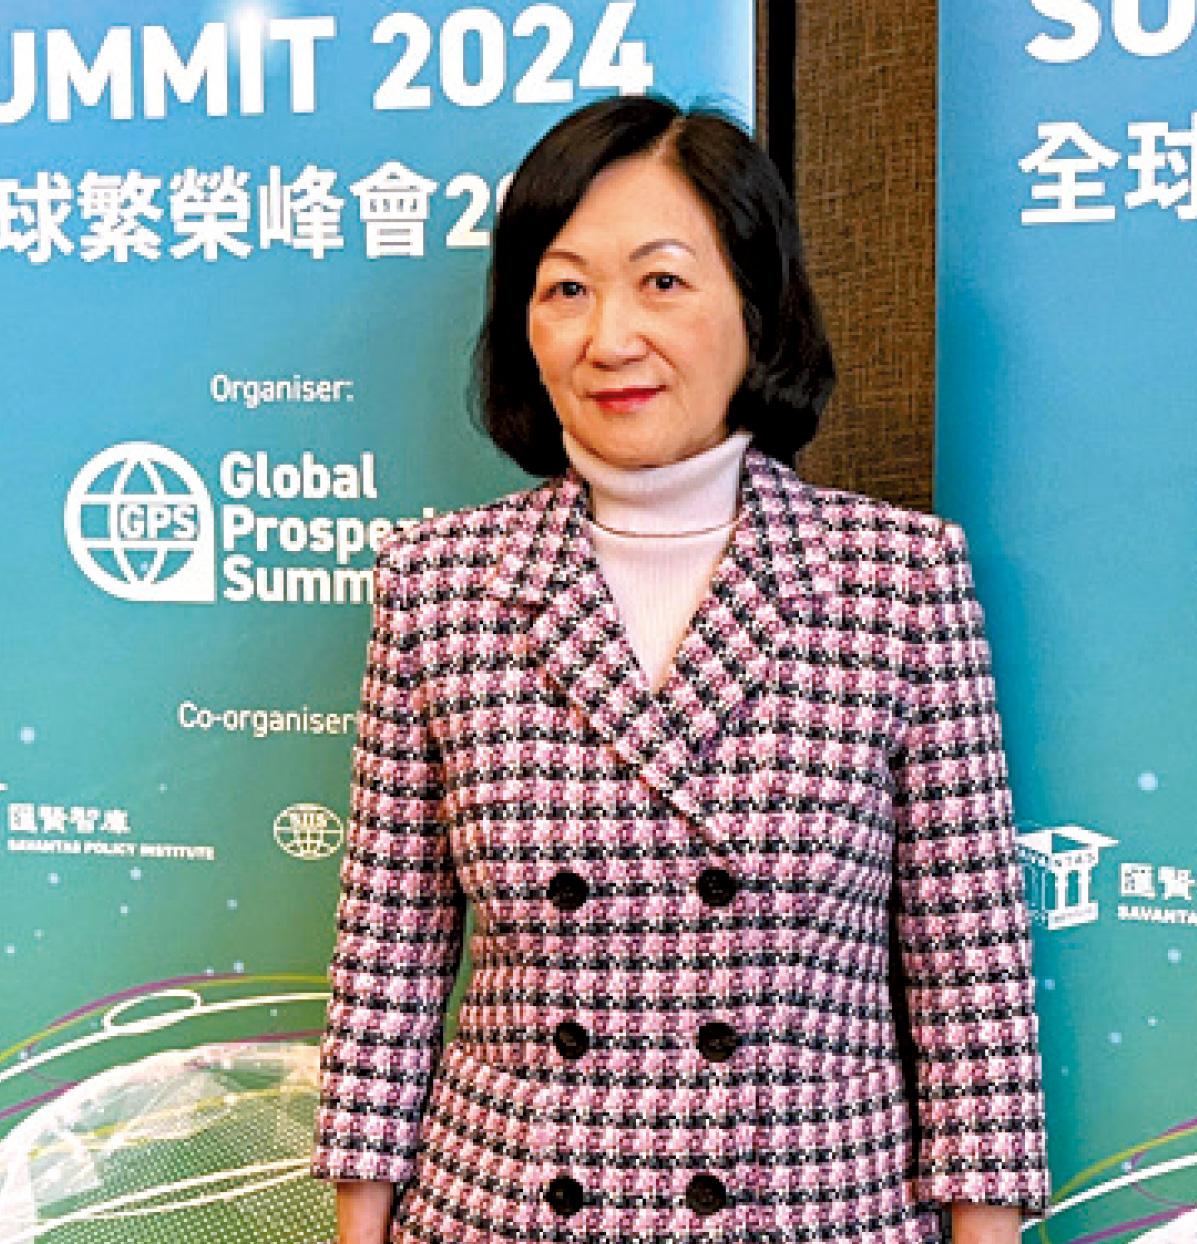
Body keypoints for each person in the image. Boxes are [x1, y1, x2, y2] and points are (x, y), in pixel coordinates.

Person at [312, 95, 1050, 1244]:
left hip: (812, 1213)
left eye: (661, 280)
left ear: (754, 305)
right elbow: (387, 956)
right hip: (504, 1211)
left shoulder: (897, 580)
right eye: (565, 288)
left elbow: (970, 977)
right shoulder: (437, 582)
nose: (610, 337)